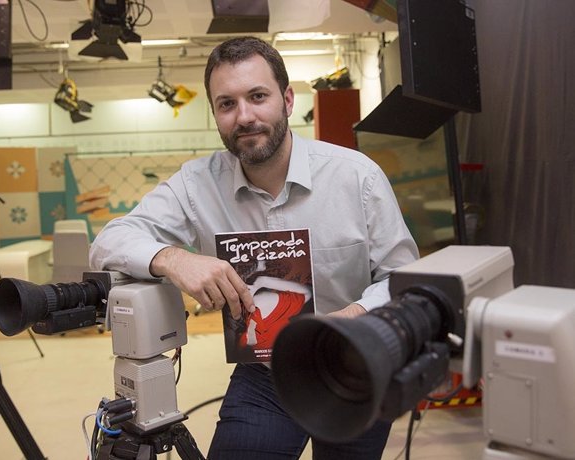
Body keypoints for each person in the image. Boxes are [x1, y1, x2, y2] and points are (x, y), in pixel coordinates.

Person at [90, 36, 419, 460]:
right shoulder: (196, 185)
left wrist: (350, 318)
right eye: (227, 104)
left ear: (286, 99)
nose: (244, 116)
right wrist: (173, 258)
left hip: (354, 366)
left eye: (257, 96)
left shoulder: (358, 178)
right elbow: (109, 241)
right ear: (215, 113)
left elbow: (404, 280)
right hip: (266, 374)